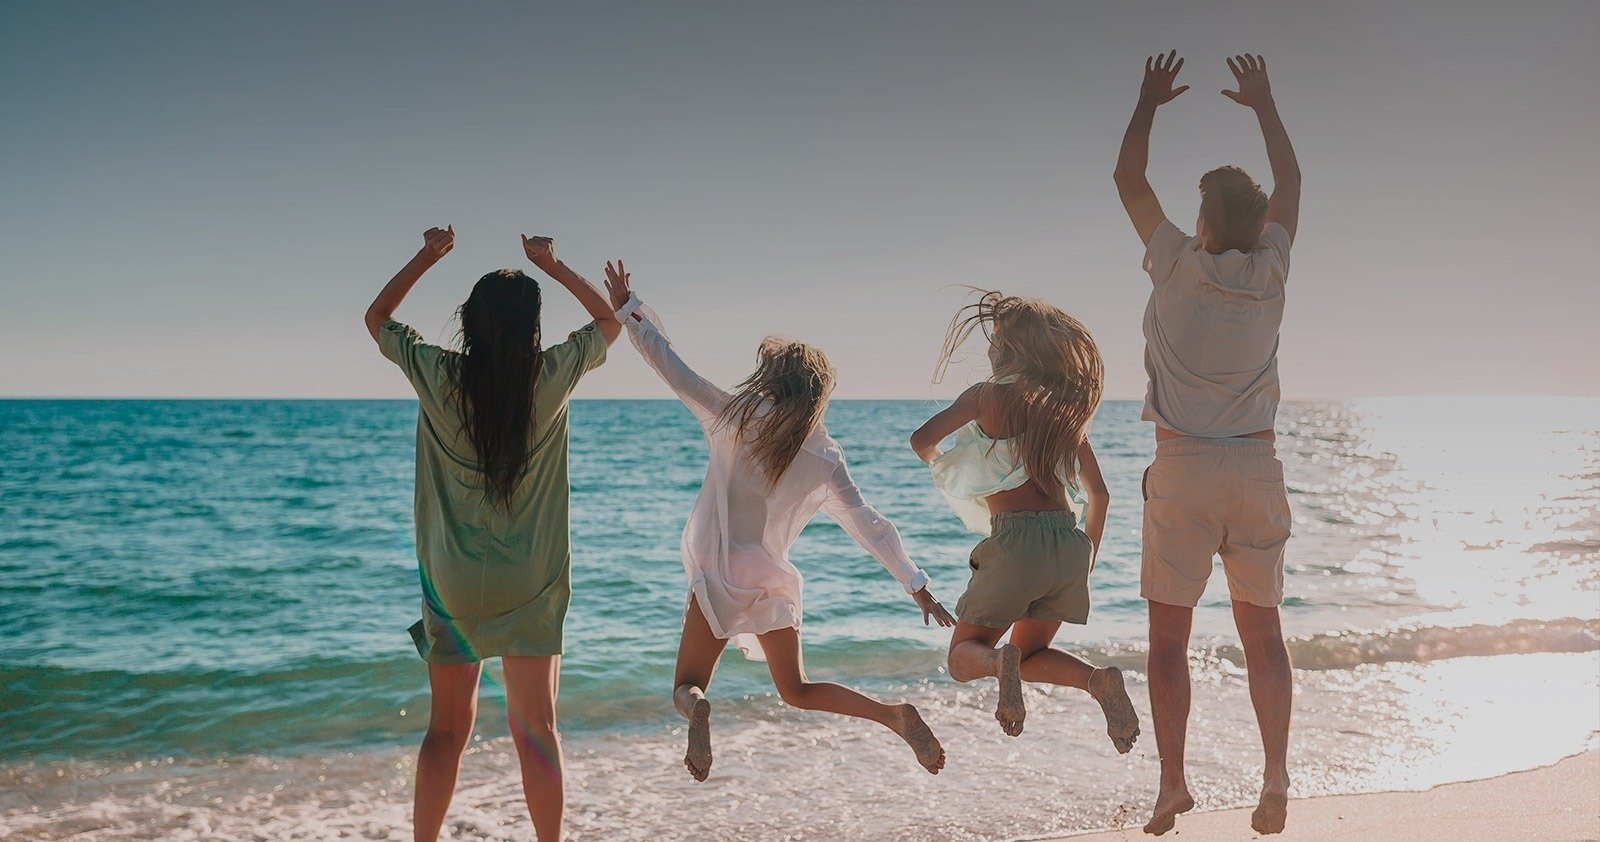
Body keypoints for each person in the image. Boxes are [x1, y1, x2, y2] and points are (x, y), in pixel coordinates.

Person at [600, 261, 955, 783]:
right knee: (798, 690)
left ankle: (698, 709)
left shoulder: (733, 416)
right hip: (770, 578)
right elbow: (869, 524)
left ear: (770, 379)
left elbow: (672, 367)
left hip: (720, 570)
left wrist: (630, 310)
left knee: (688, 684)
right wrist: (916, 584)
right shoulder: (824, 455)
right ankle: (891, 716)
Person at [364, 228, 621, 841]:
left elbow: (377, 317)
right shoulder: (550, 376)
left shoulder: (437, 374)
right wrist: (553, 265)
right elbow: (609, 323)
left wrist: (428, 256)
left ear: (470, 323)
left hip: (453, 581)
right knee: (537, 727)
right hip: (533, 578)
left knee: (446, 729)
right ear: (533, 328)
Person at [1112, 51, 1302, 836]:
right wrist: (1263, 103)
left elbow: (1128, 179)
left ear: (1209, 223)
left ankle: (1172, 785)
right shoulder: (1271, 271)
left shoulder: (1177, 266)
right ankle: (1277, 775)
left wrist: (1148, 100)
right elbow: (1292, 181)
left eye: (1199, 210)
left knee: (1168, 640)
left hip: (1184, 465)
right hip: (1255, 464)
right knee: (1263, 632)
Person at [909, 291, 1139, 754]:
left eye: (995, 341)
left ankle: (998, 662)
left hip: (1016, 544)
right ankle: (1099, 681)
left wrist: (958, 467)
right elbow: (1100, 495)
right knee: (1033, 655)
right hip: (1069, 546)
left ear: (1008, 351)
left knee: (961, 658)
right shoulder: (1064, 411)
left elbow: (922, 440)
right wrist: (1085, 560)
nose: (991, 350)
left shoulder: (985, 397)